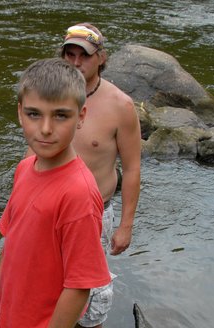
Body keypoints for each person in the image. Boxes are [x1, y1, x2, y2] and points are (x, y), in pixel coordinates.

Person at [0, 58, 111, 328]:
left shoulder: (78, 194)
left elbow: (79, 286)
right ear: (19, 113)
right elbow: (12, 242)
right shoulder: (25, 169)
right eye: (34, 114)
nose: (46, 128)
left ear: (81, 116)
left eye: (61, 115)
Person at [59, 23, 142, 328]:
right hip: (52, 212)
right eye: (69, 54)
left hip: (95, 215)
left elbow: (132, 168)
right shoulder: (52, 95)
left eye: (84, 55)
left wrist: (126, 226)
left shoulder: (120, 105)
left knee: (91, 292)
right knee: (50, 287)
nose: (76, 62)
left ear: (102, 58)